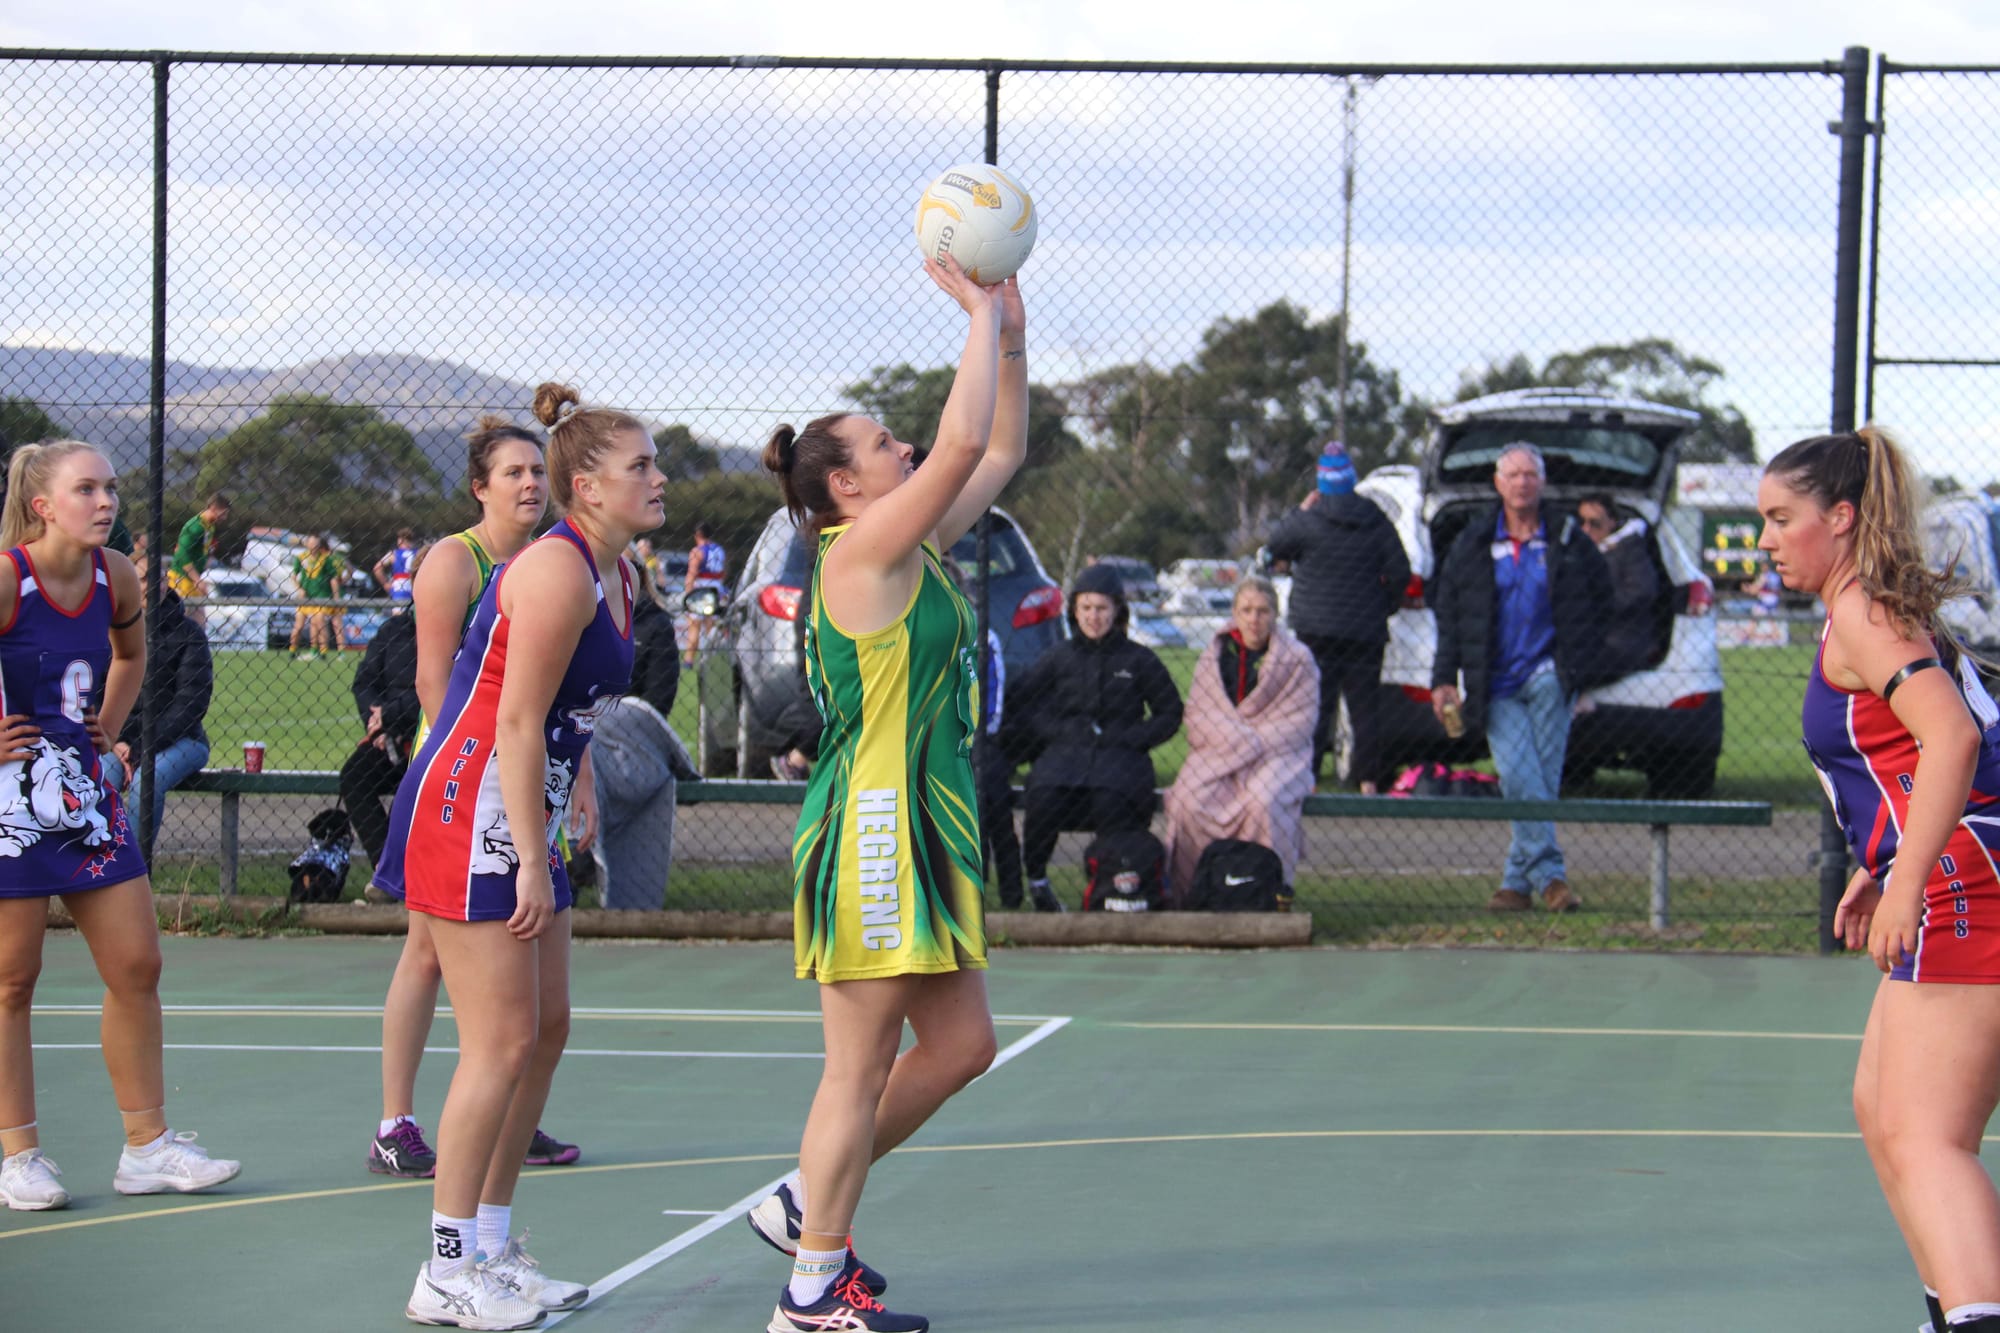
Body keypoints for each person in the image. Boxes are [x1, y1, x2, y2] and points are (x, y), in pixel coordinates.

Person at [742, 255, 1025, 1333]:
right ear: (844, 487)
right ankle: (811, 1291)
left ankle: (804, 1206)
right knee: (853, 1072)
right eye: (879, 444)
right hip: (870, 824)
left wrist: (1010, 331)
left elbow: (998, 446)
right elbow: (957, 442)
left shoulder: (910, 550)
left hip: (920, 824)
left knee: (961, 1049)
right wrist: (977, 304)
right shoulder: (859, 553)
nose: (901, 446)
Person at [374, 383, 660, 1329]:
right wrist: (532, 859)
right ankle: (446, 1265)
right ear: (589, 485)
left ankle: (491, 1245)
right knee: (497, 1041)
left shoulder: (618, 572)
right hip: (471, 804)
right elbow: (513, 718)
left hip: (524, 796)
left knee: (546, 1028)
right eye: (641, 467)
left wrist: (571, 788)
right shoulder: (556, 571)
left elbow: (562, 717)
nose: (659, 480)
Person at [1760, 427, 2000, 1333]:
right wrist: (1880, 862)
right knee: (1882, 1110)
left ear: (1843, 517)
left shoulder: (1864, 607)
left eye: (1784, 518)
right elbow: (1909, 754)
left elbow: (1956, 739)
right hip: (1947, 864)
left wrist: (1907, 883)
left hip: (1964, 880)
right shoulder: (1864, 603)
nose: (1770, 538)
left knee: (1927, 1135)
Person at [0, 441, 240, 1213]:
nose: (105, 501)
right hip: (10, 799)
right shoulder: (9, 577)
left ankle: (147, 1145)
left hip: (81, 792)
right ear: (43, 504)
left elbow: (128, 655)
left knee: (137, 964)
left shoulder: (119, 575)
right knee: (10, 981)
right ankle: (19, 1155)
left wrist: (103, 728)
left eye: (109, 488)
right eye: (86, 489)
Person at [363, 416, 586, 1183]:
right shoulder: (452, 562)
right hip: (461, 785)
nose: (530, 484)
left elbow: (558, 699)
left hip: (526, 780)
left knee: (523, 952)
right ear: (479, 488)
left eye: (537, 471)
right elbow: (432, 683)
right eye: (514, 473)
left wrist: (568, 777)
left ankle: (506, 1113)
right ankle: (396, 1122)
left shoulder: (553, 561)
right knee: (425, 950)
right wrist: (478, 778)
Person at [1431, 442, 1611, 914]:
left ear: (1542, 481)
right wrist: (1443, 676)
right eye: (1512, 475)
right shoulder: (1472, 543)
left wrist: (1585, 663)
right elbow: (1449, 616)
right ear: (1497, 483)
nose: (1521, 483)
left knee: (1541, 776)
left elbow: (1602, 598)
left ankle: (1515, 887)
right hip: (1495, 682)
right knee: (1519, 776)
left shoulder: (1568, 537)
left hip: (1551, 675)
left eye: (1529, 474)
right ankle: (1548, 878)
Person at [1014, 563, 1183, 912]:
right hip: (1064, 759)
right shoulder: (1058, 657)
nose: (1094, 616)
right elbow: (1026, 704)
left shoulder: (1139, 659)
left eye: (1102, 608)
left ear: (1117, 610)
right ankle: (1039, 884)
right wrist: (1057, 732)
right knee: (1043, 796)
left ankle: (1112, 884)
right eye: (1086, 608)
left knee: (1113, 799)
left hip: (1119, 760)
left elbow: (1170, 713)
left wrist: (1132, 738)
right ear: (1074, 611)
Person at [1265, 439, 1409, 792]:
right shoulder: (1375, 518)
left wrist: (1299, 510)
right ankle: (1368, 782)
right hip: (1365, 631)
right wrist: (1383, 605)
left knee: (1317, 707)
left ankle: (1310, 779)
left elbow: (1275, 547)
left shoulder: (1309, 519)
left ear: (1322, 481)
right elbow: (1400, 571)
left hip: (1315, 629)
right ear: (1352, 479)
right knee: (1365, 711)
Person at [1162, 575, 1320, 896]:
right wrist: (1236, 742)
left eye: (1262, 611)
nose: (1254, 619)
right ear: (1234, 612)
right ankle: (1193, 894)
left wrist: (1250, 743)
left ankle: (1267, 893)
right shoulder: (1214, 656)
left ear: (1275, 615)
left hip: (1275, 756)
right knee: (1188, 802)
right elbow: (1199, 714)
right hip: (1219, 753)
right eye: (1246, 610)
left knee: (1264, 802)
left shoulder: (1298, 659)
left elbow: (1300, 721)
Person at [589, 558, 697, 910]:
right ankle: (577, 865)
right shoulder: (587, 619)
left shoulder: (656, 626)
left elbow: (658, 700)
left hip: (635, 735)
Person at [109, 573, 213, 839]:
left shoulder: (190, 634)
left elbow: (190, 705)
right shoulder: (110, 629)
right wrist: (114, 740)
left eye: (158, 578)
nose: (151, 586)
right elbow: (97, 695)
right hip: (121, 742)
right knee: (101, 775)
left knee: (147, 780)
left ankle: (134, 869)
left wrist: (143, 747)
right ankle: (99, 867)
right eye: (142, 578)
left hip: (182, 740)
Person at [340, 602, 420, 871]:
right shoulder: (394, 630)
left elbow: (442, 688)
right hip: (386, 735)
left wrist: (392, 715)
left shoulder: (460, 630)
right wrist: (378, 725)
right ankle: (387, 870)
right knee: (354, 776)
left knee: (411, 794)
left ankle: (405, 872)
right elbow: (364, 682)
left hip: (433, 737)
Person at [1576, 492, 1660, 679]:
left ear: (1612, 522)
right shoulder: (1573, 552)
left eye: (1595, 523)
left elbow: (1641, 591)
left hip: (1619, 641)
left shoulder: (1629, 550)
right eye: (1581, 522)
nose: (1586, 529)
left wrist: (1595, 606)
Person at [165, 491, 229, 625]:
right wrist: (198, 580)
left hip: (192, 581)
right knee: (182, 622)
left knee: (199, 625)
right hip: (181, 580)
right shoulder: (195, 527)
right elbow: (182, 555)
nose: (225, 517)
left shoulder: (209, 526)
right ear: (212, 508)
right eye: (223, 513)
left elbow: (204, 551)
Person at [288, 532, 345, 659]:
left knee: (319, 622)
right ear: (307, 544)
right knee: (299, 624)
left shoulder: (326, 559)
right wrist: (299, 589)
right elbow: (293, 576)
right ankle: (292, 651)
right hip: (306, 597)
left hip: (321, 596)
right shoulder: (301, 557)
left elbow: (333, 578)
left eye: (316, 543)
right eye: (312, 543)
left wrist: (336, 597)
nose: (314, 545)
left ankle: (322, 652)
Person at [683, 521, 727, 665]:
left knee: (694, 625)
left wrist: (688, 593)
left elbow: (692, 573)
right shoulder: (720, 550)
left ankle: (689, 660)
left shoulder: (697, 551)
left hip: (700, 587)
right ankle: (710, 658)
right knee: (711, 625)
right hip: (715, 587)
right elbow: (723, 571)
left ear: (697, 535)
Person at [374, 528, 420, 605]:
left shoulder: (394, 554)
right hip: (414, 586)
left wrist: (385, 584)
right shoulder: (418, 553)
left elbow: (377, 568)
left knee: (398, 613)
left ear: (400, 541)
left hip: (399, 587)